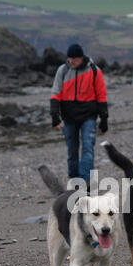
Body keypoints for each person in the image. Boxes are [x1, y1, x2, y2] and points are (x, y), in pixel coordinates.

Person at [50, 44, 108, 183]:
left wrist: (104, 119)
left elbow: (101, 96)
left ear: (81, 58)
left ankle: (87, 181)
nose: (71, 62)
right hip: (69, 118)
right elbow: (56, 93)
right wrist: (55, 116)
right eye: (69, 59)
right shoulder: (62, 70)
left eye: (74, 59)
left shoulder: (94, 71)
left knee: (88, 148)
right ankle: (74, 180)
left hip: (88, 117)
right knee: (72, 151)